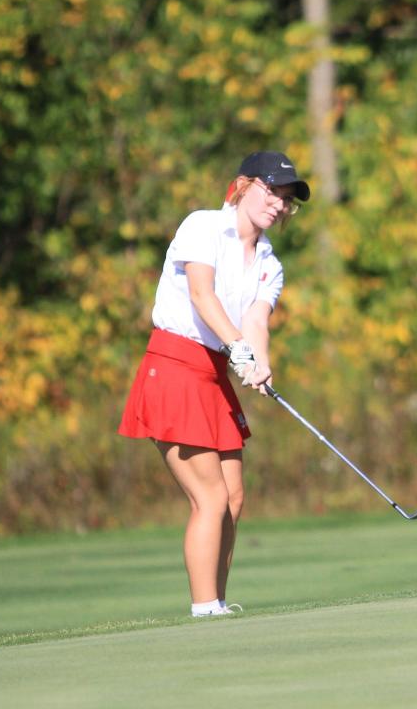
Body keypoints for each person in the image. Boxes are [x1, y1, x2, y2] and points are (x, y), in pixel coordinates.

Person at [118, 151, 310, 617]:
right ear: (243, 185)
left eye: (287, 199)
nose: (278, 204)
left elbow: (256, 322)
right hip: (174, 364)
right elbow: (202, 294)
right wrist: (239, 349)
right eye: (271, 190)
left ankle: (218, 602)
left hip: (213, 373)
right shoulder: (202, 226)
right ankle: (205, 608)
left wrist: (258, 364)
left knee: (234, 497)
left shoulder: (269, 262)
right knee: (211, 496)